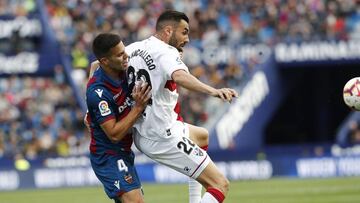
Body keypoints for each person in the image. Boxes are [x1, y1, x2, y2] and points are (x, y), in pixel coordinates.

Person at [125, 10, 238, 203]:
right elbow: (179, 76)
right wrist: (213, 90)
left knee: (202, 136)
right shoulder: (165, 52)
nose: (187, 38)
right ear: (168, 31)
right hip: (162, 136)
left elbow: (97, 65)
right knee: (220, 184)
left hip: (143, 131)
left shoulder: (133, 48)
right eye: (184, 32)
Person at [85, 33, 151, 203]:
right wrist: (137, 108)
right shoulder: (98, 92)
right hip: (108, 155)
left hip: (125, 152)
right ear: (105, 61)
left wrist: (88, 111)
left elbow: (94, 64)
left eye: (124, 50)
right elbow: (114, 134)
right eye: (120, 54)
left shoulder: (121, 69)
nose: (126, 56)